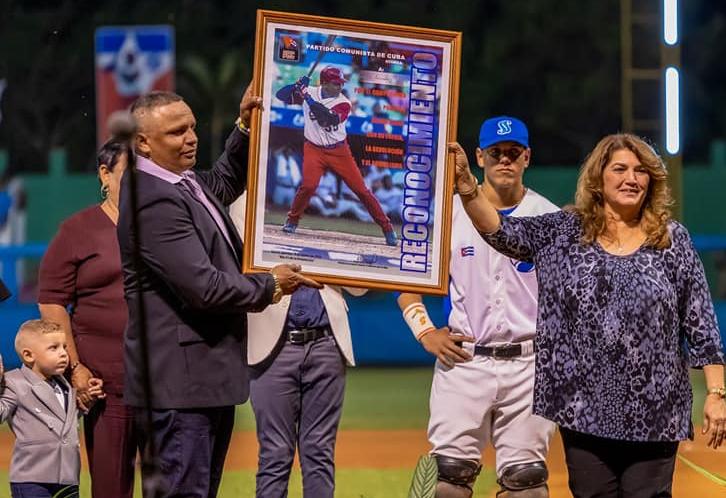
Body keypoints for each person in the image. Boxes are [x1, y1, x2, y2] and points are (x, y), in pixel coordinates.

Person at [451, 132, 726, 498]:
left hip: (656, 409)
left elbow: (701, 322)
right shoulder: (565, 231)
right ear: (599, 178)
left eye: (641, 171)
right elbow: (501, 232)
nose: (632, 178)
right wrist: (469, 188)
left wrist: (717, 392)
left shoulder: (671, 239)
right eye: (620, 169)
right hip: (583, 408)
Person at [118, 88, 321, 498]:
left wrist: (244, 125)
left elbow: (226, 179)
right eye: (176, 132)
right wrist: (271, 285)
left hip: (201, 383)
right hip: (178, 390)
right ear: (142, 142)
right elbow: (204, 288)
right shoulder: (151, 202)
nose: (190, 138)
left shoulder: (183, 183)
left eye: (191, 127)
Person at [399, 116, 558, 498]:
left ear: (527, 158)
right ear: (479, 157)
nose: (505, 160)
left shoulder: (549, 218)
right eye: (496, 152)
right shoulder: (448, 215)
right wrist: (424, 330)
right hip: (465, 361)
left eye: (513, 153)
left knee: (528, 486)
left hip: (529, 364)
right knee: (448, 481)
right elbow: (407, 284)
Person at [229, 194, 366, 498]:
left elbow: (361, 285)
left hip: (326, 342)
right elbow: (238, 272)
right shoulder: (246, 201)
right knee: (275, 454)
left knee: (319, 452)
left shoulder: (336, 199)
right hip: (273, 345)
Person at [38, 139, 139, 498]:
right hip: (104, 384)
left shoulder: (163, 230)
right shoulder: (77, 230)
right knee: (111, 487)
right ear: (104, 174)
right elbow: (51, 302)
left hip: (165, 381)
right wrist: (75, 367)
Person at [275, 66, 398, 246]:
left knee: (362, 191)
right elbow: (281, 96)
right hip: (313, 148)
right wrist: (295, 86)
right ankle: (292, 221)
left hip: (339, 151)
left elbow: (326, 119)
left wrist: (306, 96)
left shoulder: (344, 102)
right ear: (324, 83)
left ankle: (387, 228)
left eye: (341, 83)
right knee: (308, 186)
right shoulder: (309, 91)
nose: (340, 86)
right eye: (336, 83)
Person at [0, 319, 104, 498]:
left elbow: (65, 422)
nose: (64, 354)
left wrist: (89, 398)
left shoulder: (65, 385)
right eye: (53, 348)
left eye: (64, 347)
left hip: (67, 475)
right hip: (31, 478)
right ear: (28, 355)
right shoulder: (14, 382)